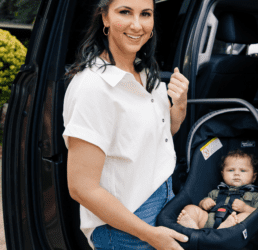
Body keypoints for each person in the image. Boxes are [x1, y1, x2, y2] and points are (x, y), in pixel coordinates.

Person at [62, 0, 189, 249]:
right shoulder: (93, 87)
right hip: (125, 228)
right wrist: (150, 235)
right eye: (124, 12)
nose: (136, 24)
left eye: (145, 14)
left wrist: (180, 106)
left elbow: (163, 135)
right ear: (105, 18)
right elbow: (81, 188)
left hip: (165, 203)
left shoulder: (145, 72)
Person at [177, 149, 258, 229]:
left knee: (248, 216)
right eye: (231, 170)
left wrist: (245, 208)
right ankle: (192, 229)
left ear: (254, 177)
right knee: (190, 208)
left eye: (243, 170)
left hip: (235, 226)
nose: (236, 174)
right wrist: (204, 203)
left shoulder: (255, 196)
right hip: (209, 222)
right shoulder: (216, 192)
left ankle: (226, 228)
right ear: (223, 174)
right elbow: (202, 206)